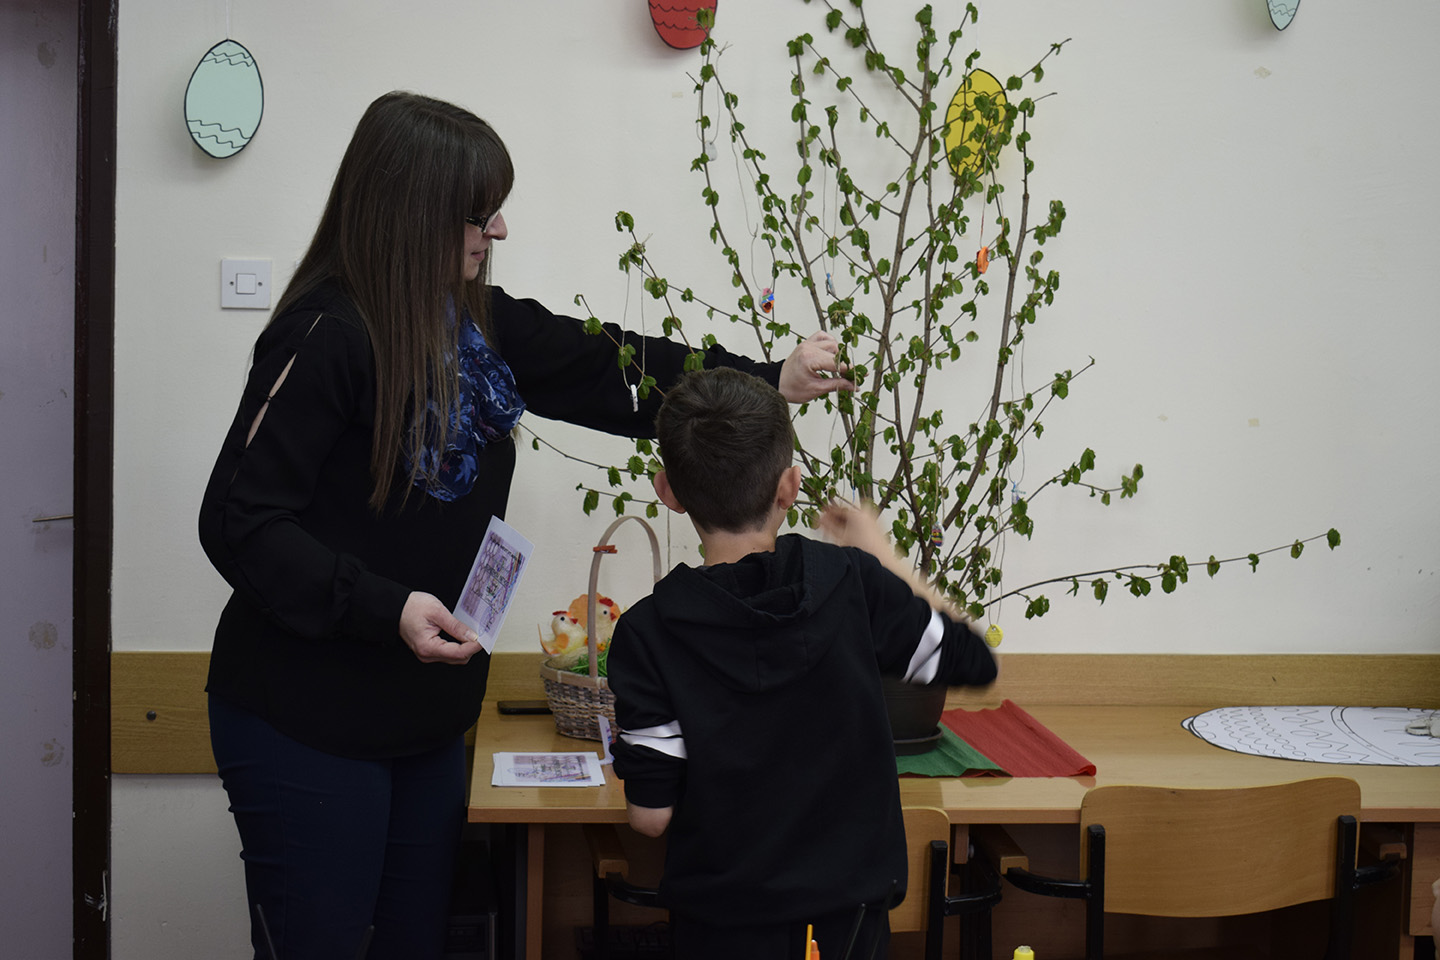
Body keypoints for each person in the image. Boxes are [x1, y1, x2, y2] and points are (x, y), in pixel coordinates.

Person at [197, 91, 848, 960]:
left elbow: (610, 366)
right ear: (413, 211)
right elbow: (237, 521)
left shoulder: (473, 323)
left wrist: (769, 378)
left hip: (425, 721)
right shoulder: (326, 334)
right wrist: (385, 607)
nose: (497, 230)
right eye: (479, 213)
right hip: (305, 721)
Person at [608, 367, 999, 960]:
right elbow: (973, 660)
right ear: (789, 486)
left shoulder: (646, 632)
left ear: (668, 491)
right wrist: (882, 553)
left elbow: (650, 818)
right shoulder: (852, 581)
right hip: (850, 922)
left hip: (722, 925)